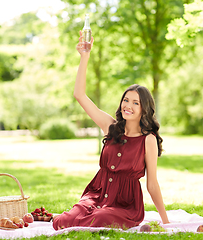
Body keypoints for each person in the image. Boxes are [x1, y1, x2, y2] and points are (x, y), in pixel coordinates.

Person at [52, 31, 170, 230]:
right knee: (63, 221)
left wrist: (165, 221)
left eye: (135, 102)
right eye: (126, 100)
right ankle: (69, 217)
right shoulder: (110, 126)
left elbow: (152, 184)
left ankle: (90, 217)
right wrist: (85, 56)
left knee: (99, 219)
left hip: (125, 205)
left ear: (144, 109)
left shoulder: (148, 140)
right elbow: (79, 95)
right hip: (96, 194)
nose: (128, 106)